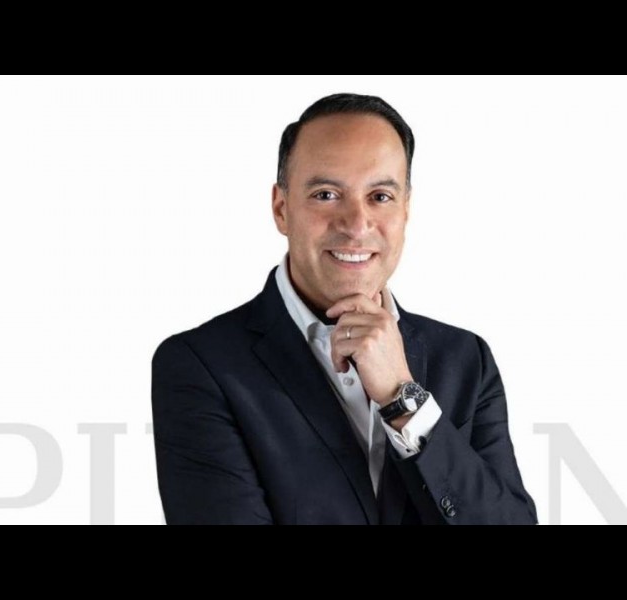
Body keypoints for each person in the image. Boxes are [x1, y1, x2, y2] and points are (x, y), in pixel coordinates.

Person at [151, 93, 538, 525]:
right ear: (281, 209)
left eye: (380, 196)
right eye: (326, 194)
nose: (356, 225)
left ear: (406, 209)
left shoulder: (466, 360)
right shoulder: (201, 365)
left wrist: (402, 397)